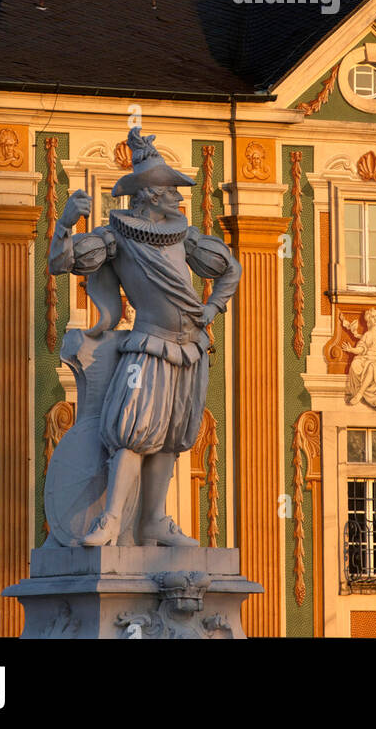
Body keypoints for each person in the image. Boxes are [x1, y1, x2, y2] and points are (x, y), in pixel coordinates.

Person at [48, 132, 241, 547]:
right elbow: (60, 262)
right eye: (170, 190)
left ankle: (153, 520)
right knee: (133, 431)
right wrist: (65, 223)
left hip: (191, 349)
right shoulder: (117, 236)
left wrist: (212, 310)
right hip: (148, 345)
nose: (178, 197)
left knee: (172, 435)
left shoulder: (183, 236)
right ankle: (112, 520)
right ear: (151, 195)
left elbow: (232, 270)